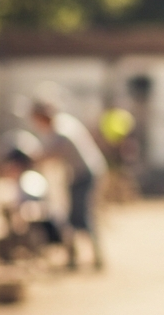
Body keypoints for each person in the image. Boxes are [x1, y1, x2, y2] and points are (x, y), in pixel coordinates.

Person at [30, 88, 108, 270]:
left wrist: (31, 160)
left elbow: (51, 154)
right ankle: (78, 256)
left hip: (85, 173)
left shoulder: (61, 130)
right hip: (80, 173)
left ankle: (93, 258)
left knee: (80, 216)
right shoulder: (62, 125)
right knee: (74, 215)